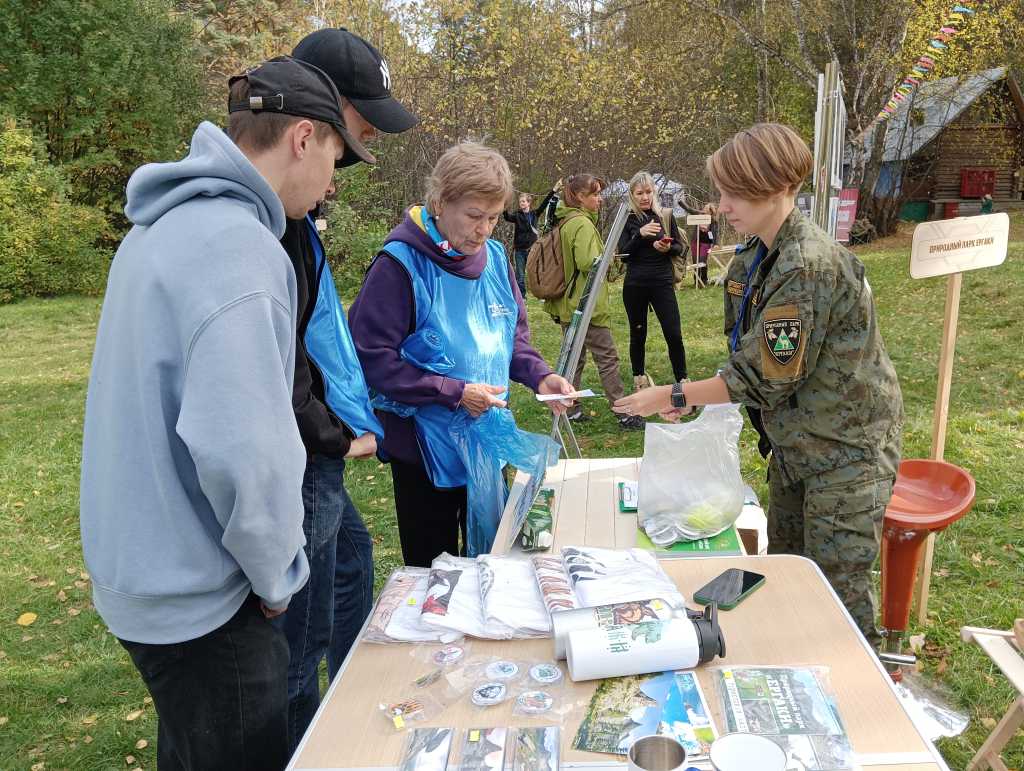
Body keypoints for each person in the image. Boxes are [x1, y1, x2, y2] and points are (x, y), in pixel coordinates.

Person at [79, 57, 352, 770]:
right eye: (335, 157)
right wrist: (277, 574)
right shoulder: (238, 248)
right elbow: (244, 449)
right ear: (303, 138)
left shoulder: (159, 228)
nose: (332, 182)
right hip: (200, 593)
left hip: (144, 569)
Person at [614, 123, 903, 642]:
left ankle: (863, 683)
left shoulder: (806, 266)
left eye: (735, 193)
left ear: (776, 188)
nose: (722, 206)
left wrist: (673, 394)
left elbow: (763, 374)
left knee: (836, 601)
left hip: (844, 455)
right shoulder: (758, 258)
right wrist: (703, 397)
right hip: (796, 447)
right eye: (722, 192)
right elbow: (749, 354)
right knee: (790, 577)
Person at [276, 27, 419, 752]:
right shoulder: (270, 224)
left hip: (323, 437)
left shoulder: (296, 216)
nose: (345, 171)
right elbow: (280, 368)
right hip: (308, 450)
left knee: (353, 561)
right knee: (298, 635)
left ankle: (348, 698)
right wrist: (337, 436)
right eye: (357, 134)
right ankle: (316, 741)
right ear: (315, 120)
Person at [349, 142, 574, 567]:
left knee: (491, 559)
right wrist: (452, 392)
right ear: (439, 203)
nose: (483, 229)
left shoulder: (495, 259)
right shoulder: (399, 265)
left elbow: (512, 338)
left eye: (493, 217)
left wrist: (540, 376)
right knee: (434, 570)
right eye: (473, 216)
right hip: (423, 451)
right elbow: (371, 358)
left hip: (486, 440)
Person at [543, 173, 643, 430]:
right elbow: (589, 263)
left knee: (574, 360)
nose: (600, 199)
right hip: (586, 305)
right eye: (595, 194)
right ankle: (624, 411)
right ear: (579, 197)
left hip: (568, 304)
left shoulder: (565, 220)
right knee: (607, 358)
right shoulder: (581, 224)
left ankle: (571, 409)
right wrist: (607, 258)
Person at [617, 171, 688, 391]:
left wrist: (667, 247)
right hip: (635, 284)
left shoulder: (665, 215)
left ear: (654, 192)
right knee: (638, 334)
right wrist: (639, 234)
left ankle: (682, 380)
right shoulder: (627, 218)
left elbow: (679, 247)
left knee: (673, 333)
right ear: (632, 194)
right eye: (639, 193)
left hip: (662, 282)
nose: (645, 197)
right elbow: (623, 254)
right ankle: (639, 379)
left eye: (648, 192)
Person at [503, 182, 560, 295]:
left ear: (528, 203)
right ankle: (522, 297)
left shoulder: (535, 214)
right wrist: (504, 204)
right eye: (520, 202)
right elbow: (507, 217)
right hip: (519, 251)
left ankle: (542, 293)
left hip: (533, 250)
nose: (521, 203)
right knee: (520, 275)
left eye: (523, 201)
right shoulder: (517, 216)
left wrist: (554, 190)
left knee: (537, 272)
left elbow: (545, 203)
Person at [692, 202, 717, 286]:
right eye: (704, 208)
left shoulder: (713, 221)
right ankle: (696, 281)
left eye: (706, 209)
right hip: (695, 242)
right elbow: (689, 210)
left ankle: (704, 280)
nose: (704, 210)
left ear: (710, 212)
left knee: (702, 261)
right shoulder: (699, 217)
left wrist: (707, 231)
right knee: (695, 262)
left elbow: (712, 235)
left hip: (706, 243)